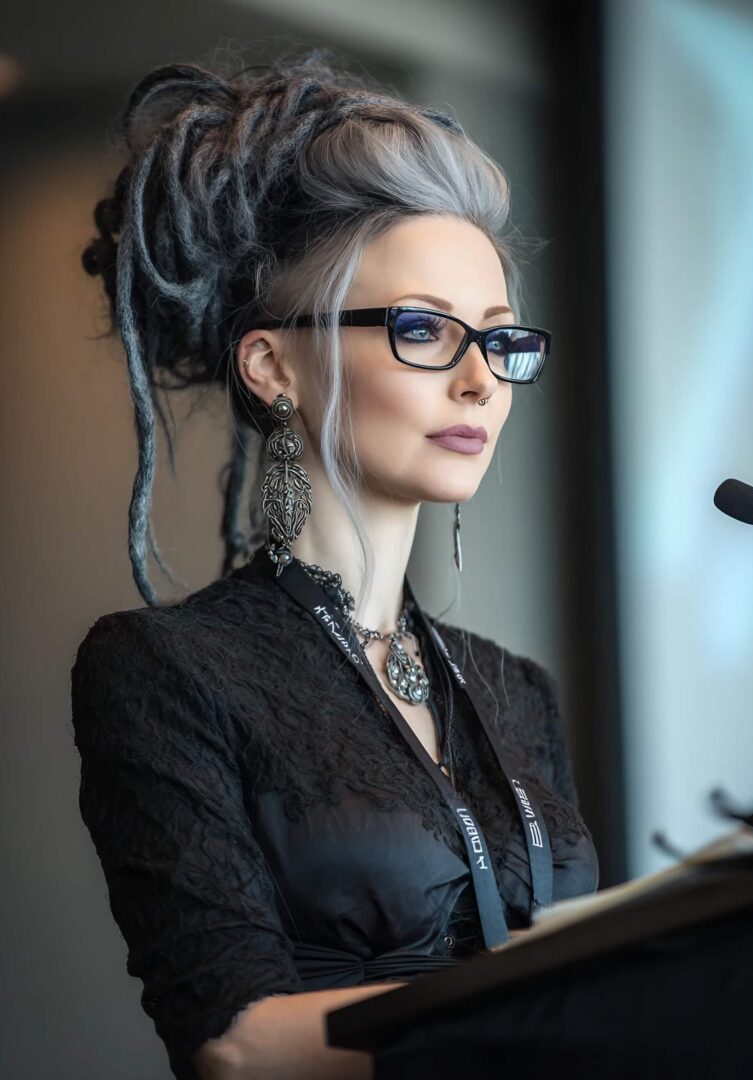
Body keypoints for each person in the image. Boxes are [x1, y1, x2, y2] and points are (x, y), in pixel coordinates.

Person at [71, 49, 599, 1080]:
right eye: (423, 332)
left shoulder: (513, 690)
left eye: (499, 342)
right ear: (273, 367)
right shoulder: (165, 670)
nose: (479, 383)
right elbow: (234, 1040)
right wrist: (563, 1026)